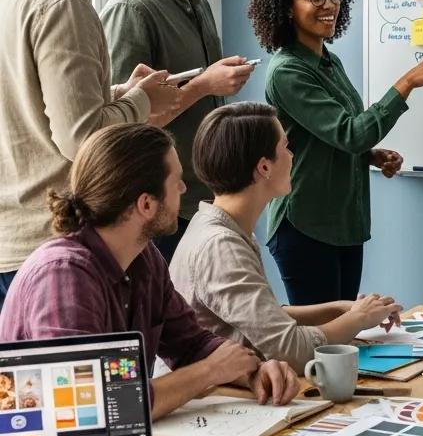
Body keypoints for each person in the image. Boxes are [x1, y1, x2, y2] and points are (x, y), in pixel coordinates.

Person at [0, 124, 300, 418]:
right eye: (176, 182)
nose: (184, 189)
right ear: (146, 204)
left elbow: (191, 344)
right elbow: (95, 404)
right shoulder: (62, 276)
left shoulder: (144, 258)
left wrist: (253, 371)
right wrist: (211, 370)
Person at [0, 0, 180, 312]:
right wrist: (142, 102)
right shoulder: (61, 1)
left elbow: (31, 105)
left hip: (11, 238)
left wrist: (120, 93)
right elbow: (81, 138)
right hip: (49, 244)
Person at [248, 0, 423, 305]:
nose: (329, 4)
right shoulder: (287, 71)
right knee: (323, 334)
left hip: (342, 224)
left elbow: (333, 136)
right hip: (306, 224)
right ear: (287, 7)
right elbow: (351, 134)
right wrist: (407, 82)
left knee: (345, 330)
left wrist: (369, 155)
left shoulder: (328, 61)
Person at [170, 102, 404, 372]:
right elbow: (291, 350)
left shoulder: (220, 225)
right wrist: (358, 319)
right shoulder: (221, 246)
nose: (292, 156)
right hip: (221, 392)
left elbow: (265, 317)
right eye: (286, 147)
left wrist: (341, 309)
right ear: (264, 167)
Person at [101, 0, 257, 263]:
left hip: (203, 201)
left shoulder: (198, 3)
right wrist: (204, 85)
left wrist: (218, 83)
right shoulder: (132, 9)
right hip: (161, 213)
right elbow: (121, 132)